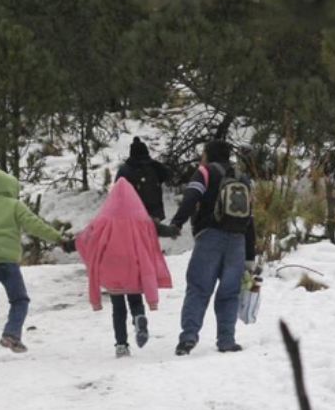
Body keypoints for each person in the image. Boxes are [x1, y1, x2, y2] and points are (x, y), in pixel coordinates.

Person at [0, 169, 62, 363]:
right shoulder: (14, 206)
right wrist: (58, 238)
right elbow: (35, 225)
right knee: (19, 300)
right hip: (8, 263)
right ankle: (11, 335)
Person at [168, 139, 257, 356]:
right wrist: (250, 254)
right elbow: (250, 218)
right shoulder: (242, 178)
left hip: (210, 237)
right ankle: (226, 340)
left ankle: (189, 337)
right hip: (237, 240)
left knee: (198, 288)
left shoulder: (205, 172)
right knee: (229, 292)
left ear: (208, 154)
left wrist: (177, 222)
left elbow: (191, 197)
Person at [71, 178, 173, 358]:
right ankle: (139, 318)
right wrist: (172, 230)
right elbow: (154, 232)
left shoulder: (104, 218)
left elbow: (88, 237)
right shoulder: (141, 218)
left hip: (112, 267)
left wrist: (72, 243)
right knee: (135, 300)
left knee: (118, 308)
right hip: (134, 265)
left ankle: (121, 345)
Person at [107, 136, 177, 355]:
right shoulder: (154, 167)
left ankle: (121, 345)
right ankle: (139, 314)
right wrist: (170, 230)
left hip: (117, 255)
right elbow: (169, 175)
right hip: (149, 221)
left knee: (118, 304)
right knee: (138, 278)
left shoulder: (124, 173)